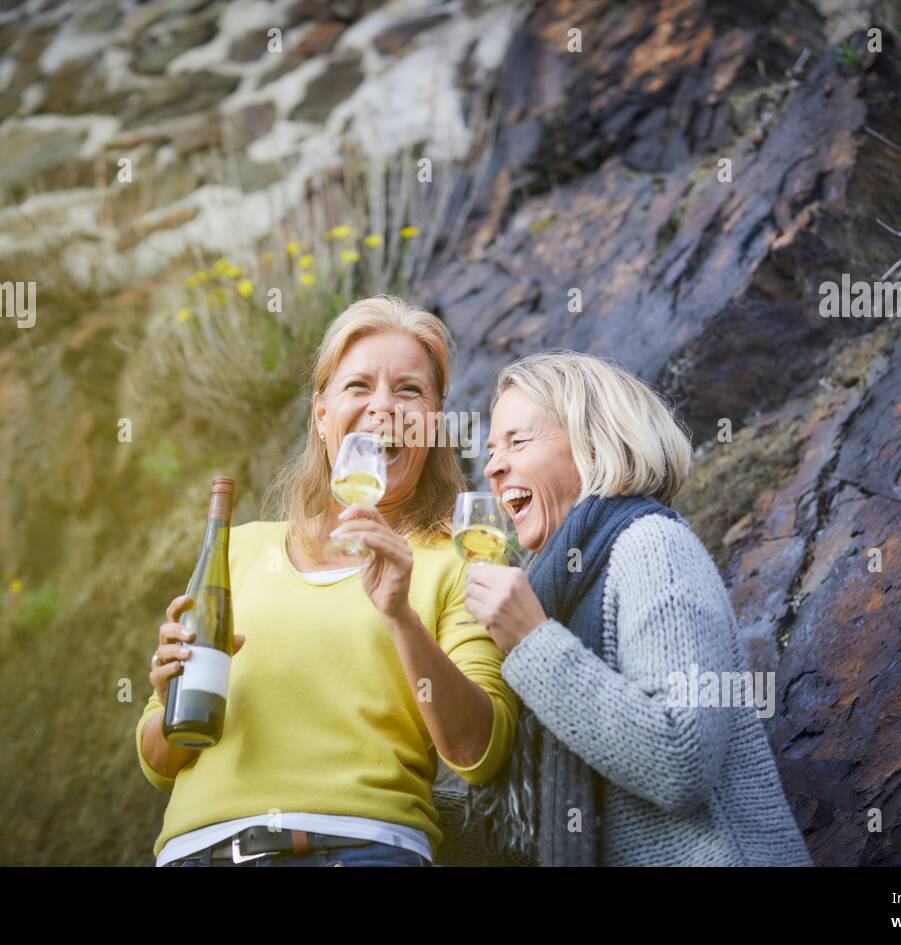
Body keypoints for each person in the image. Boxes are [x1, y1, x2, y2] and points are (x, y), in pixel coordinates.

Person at [135, 294, 518, 867]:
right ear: (320, 413)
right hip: (202, 853)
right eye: (358, 386)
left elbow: (478, 751)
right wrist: (170, 700)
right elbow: (156, 761)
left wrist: (400, 616)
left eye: (409, 391)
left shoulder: (460, 559)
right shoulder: (238, 551)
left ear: (435, 420)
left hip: (363, 849)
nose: (382, 408)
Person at [458, 350, 813, 865]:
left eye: (517, 441)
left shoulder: (652, 546)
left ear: (594, 444)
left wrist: (533, 642)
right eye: (491, 450)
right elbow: (523, 836)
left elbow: (681, 760)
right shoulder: (553, 590)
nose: (492, 466)